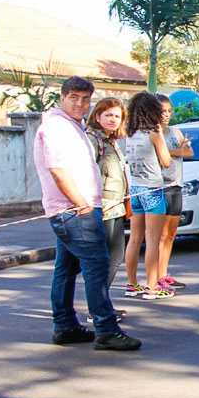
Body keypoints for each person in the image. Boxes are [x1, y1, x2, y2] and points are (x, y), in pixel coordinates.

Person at [34, 77, 140, 351]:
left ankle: (65, 325)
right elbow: (58, 170)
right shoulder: (57, 126)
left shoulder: (72, 125)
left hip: (77, 208)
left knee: (66, 270)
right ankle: (105, 328)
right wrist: (81, 203)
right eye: (74, 98)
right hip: (75, 211)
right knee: (97, 267)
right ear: (62, 97)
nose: (80, 104)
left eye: (85, 99)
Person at [123, 92, 174, 301]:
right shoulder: (154, 133)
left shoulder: (130, 134)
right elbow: (166, 161)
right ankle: (152, 286)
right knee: (152, 240)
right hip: (153, 189)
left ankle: (132, 283)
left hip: (135, 189)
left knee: (135, 239)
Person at [86, 97, 129, 323]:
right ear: (97, 116)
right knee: (104, 261)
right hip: (101, 208)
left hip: (116, 208)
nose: (113, 119)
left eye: (117, 116)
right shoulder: (93, 140)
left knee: (115, 258)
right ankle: (97, 310)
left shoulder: (111, 141)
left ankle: (102, 306)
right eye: (108, 115)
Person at [155, 94, 191, 289]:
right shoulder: (152, 133)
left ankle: (164, 273)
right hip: (159, 185)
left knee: (171, 233)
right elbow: (159, 157)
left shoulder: (175, 132)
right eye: (162, 111)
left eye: (169, 111)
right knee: (159, 235)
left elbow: (189, 152)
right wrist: (176, 151)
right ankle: (156, 277)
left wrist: (170, 151)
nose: (166, 115)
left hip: (176, 184)